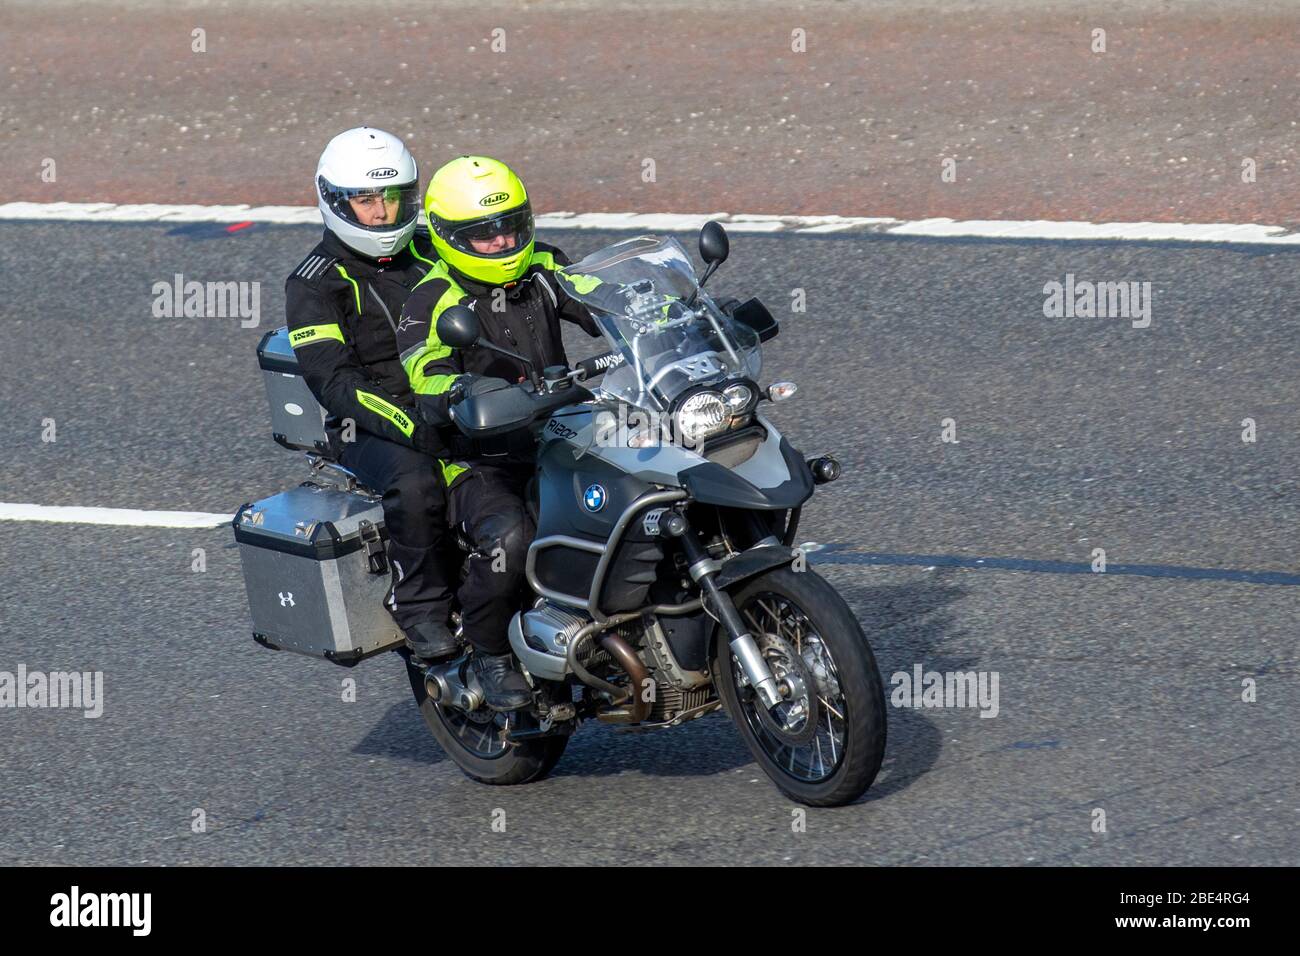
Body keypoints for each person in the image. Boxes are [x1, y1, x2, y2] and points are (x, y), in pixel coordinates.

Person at [396, 155, 603, 710]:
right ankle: (489, 653)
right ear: (446, 236)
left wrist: (668, 313)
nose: (503, 241)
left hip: (558, 432)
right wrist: (461, 392)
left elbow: (597, 295)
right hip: (476, 458)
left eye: (512, 225)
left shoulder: (542, 265)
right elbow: (423, 368)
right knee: (511, 539)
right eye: (484, 234)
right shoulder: (431, 298)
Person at [284, 127, 460, 663]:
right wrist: (411, 423)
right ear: (335, 200)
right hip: (369, 420)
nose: (382, 213)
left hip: (454, 395)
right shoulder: (314, 283)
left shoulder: (437, 250)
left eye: (392, 198)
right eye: (366, 199)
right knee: (416, 481)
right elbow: (333, 382)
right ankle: (421, 606)